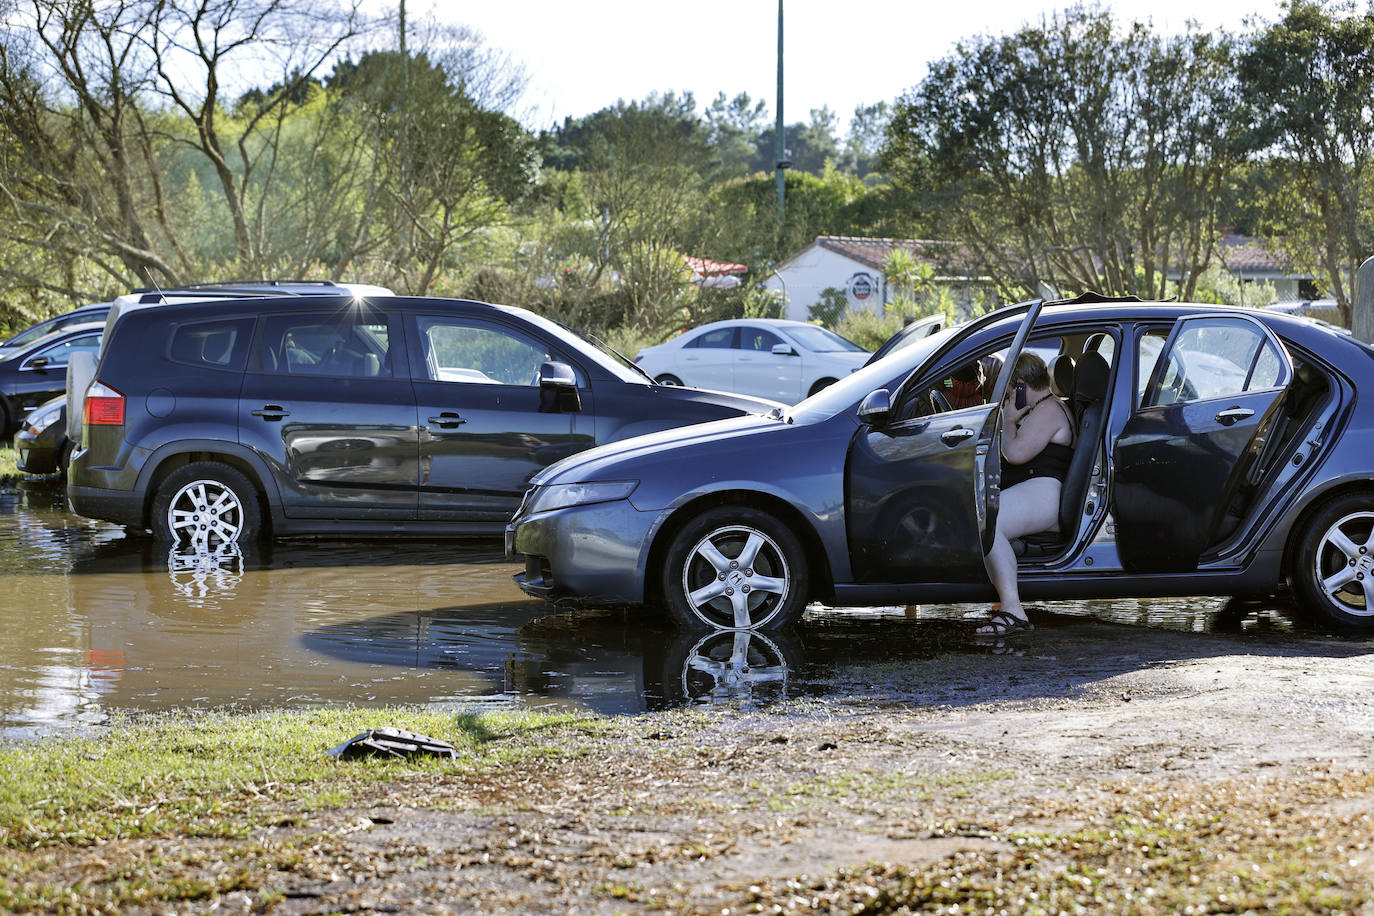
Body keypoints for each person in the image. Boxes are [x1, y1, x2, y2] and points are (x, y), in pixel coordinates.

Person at [976, 351, 1074, 637]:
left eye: (1008, 390)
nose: (1006, 396)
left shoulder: (1050, 410)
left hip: (1047, 492)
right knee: (984, 517)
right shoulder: (1042, 408)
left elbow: (1015, 453)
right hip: (1039, 489)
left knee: (990, 522)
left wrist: (1008, 419)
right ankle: (1006, 604)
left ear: (1020, 386)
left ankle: (1012, 609)